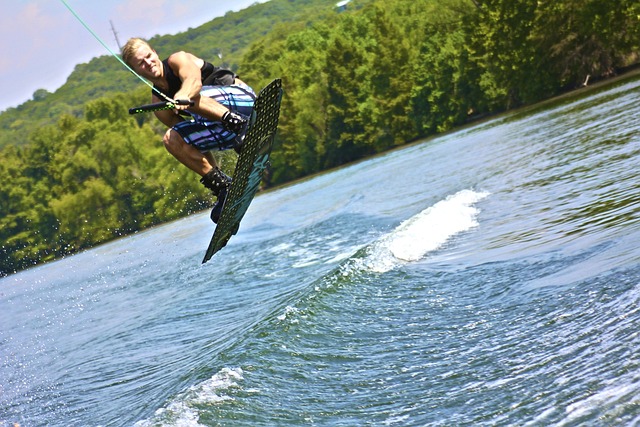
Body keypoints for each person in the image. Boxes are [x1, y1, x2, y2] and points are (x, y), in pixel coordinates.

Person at [121, 37, 256, 223]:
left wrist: (182, 96)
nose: (148, 63)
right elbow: (193, 143)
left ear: (155, 52)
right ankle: (224, 187)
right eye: (141, 63)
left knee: (190, 97)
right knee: (172, 139)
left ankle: (242, 125)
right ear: (134, 71)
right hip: (226, 130)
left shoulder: (178, 60)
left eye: (149, 56)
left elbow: (193, 82)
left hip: (244, 103)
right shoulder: (158, 104)